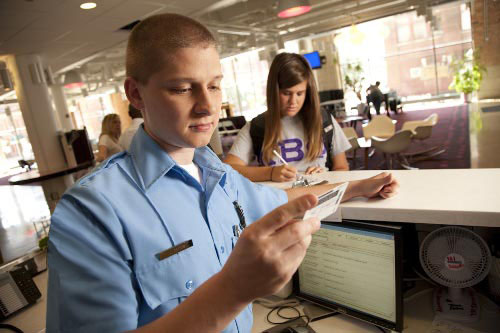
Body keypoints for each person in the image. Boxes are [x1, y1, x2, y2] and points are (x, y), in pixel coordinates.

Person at [46, 14, 399, 332]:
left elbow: (283, 200)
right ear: (136, 94)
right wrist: (234, 289)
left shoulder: (217, 173)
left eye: (214, 85)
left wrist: (355, 186)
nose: (207, 105)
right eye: (182, 88)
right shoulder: (91, 211)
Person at [224, 53, 351, 183]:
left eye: (300, 93)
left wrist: (326, 175)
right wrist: (270, 172)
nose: (293, 102)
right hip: (281, 200)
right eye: (286, 93)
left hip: (322, 196)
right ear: (274, 91)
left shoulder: (324, 121)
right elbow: (228, 169)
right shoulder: (258, 126)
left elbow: (342, 167)